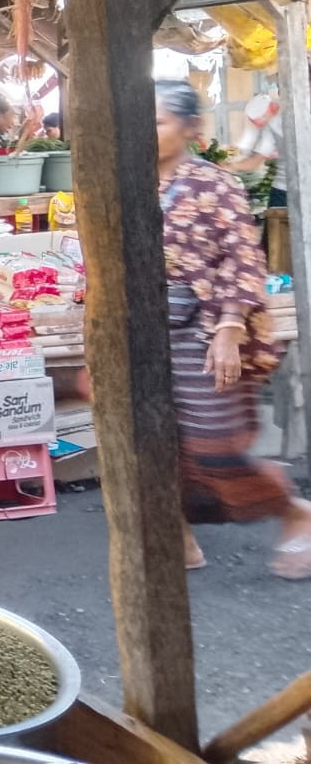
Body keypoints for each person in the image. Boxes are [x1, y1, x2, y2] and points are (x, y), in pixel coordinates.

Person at [153, 80, 311, 580]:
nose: (144, 133)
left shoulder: (215, 184)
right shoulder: (124, 182)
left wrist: (228, 329)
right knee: (156, 442)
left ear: (190, 128)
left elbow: (243, 258)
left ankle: (293, 511)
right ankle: (178, 536)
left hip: (204, 330)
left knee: (214, 445)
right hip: (146, 334)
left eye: (157, 122)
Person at [228, 91, 288, 210]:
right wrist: (232, 166)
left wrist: (231, 166)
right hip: (283, 188)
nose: (259, 125)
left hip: (283, 190)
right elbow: (255, 161)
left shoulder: (273, 124)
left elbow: (255, 161)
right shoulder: (270, 126)